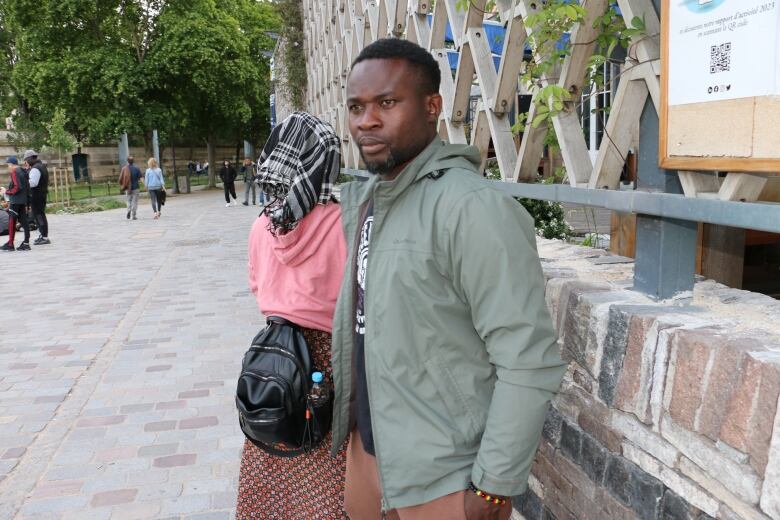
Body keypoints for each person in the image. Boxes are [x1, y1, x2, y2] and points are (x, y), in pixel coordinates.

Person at [332, 38, 567, 520]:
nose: (366, 121)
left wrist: (493, 486)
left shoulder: (472, 209)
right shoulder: (370, 200)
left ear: (433, 106)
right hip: (371, 461)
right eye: (356, 107)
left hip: (445, 477)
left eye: (387, 103)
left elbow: (528, 358)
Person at [236, 111, 347, 518]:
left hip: (275, 355)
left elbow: (257, 288)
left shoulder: (261, 225)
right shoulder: (345, 224)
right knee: (327, 462)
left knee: (274, 452)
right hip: (329, 360)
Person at [1, 156, 31, 251]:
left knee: (11, 222)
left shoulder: (14, 172)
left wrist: (6, 191)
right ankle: (26, 243)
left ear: (11, 164)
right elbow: (26, 187)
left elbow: (17, 187)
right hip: (22, 201)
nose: (8, 167)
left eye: (8, 165)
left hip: (16, 200)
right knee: (24, 221)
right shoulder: (22, 171)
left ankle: (10, 244)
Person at [23, 150, 50, 245]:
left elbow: (33, 183)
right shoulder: (41, 166)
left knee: (39, 216)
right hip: (41, 195)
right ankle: (43, 235)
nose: (25, 162)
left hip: (37, 196)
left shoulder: (35, 168)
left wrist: (24, 183)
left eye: (26, 160)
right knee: (39, 215)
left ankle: (44, 237)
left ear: (31, 158)